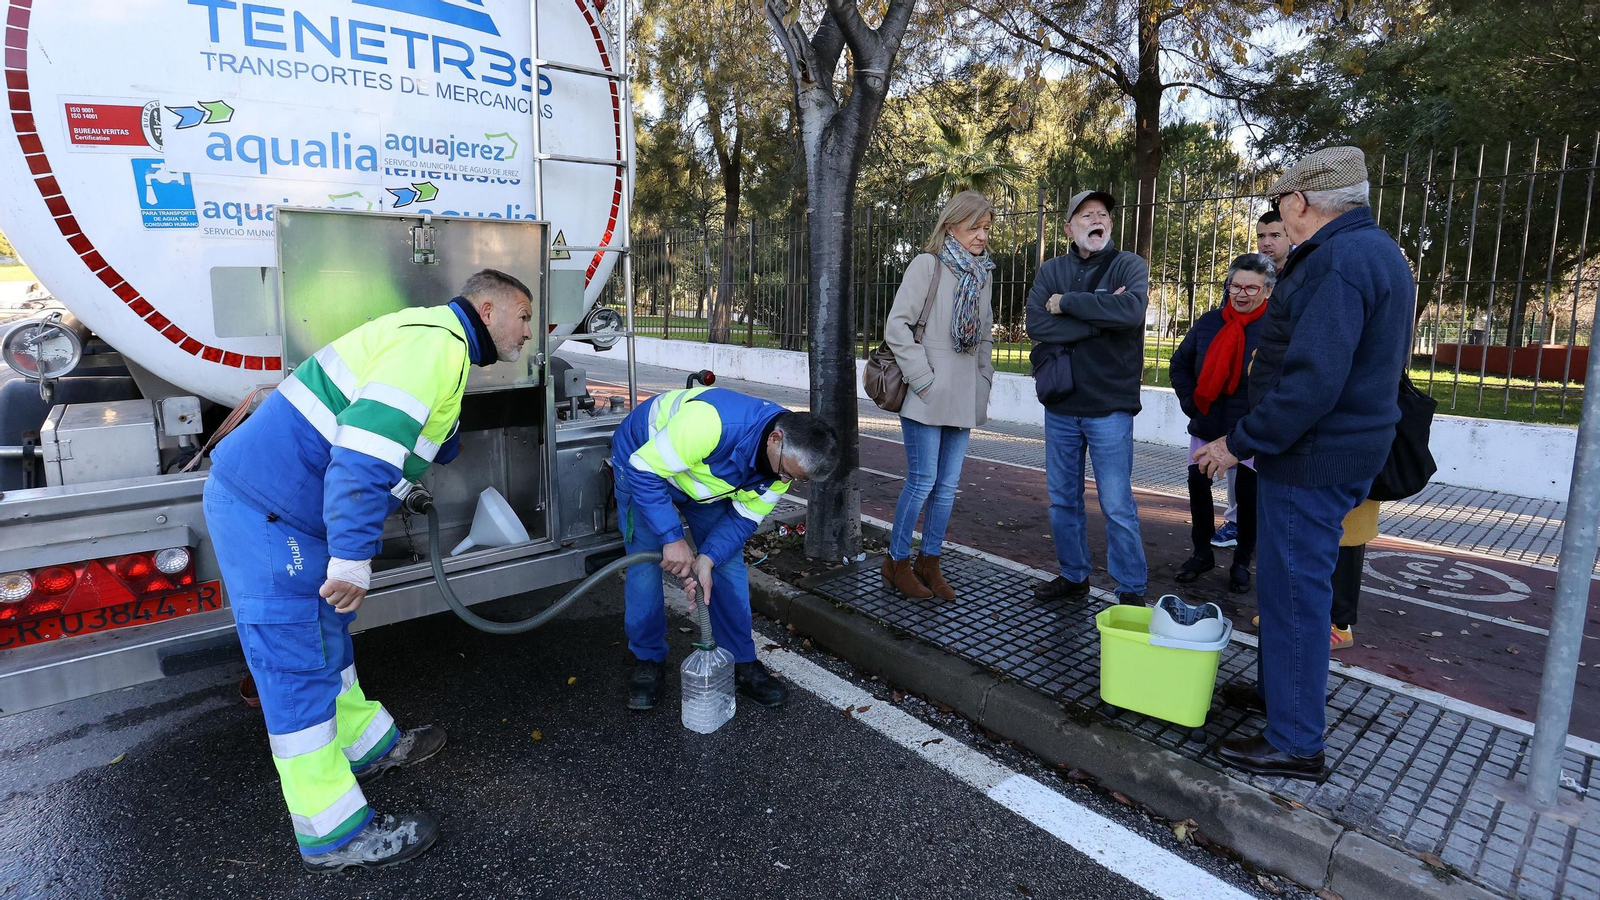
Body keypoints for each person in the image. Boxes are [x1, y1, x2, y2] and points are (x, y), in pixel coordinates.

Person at [204, 269, 537, 871]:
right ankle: (332, 833)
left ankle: (367, 746)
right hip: (268, 511)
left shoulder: (443, 344)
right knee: (297, 662)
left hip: (290, 509)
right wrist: (353, 559)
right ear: (487, 308)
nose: (528, 332)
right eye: (523, 316)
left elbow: (404, 434)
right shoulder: (435, 343)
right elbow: (361, 457)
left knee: (328, 637)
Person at [1194, 147, 1414, 780]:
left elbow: (1312, 382)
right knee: (1287, 586)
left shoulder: (1338, 262)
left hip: (1312, 455)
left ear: (1299, 203)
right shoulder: (1375, 251)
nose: (1281, 220)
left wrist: (1237, 443)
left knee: (1294, 595)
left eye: (1282, 207)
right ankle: (1278, 697)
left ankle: (1296, 742)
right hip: (1337, 448)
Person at [611, 386, 840, 711]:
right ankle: (647, 659)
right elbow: (643, 469)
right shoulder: (712, 423)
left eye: (796, 479)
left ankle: (741, 662)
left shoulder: (784, 467)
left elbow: (743, 519)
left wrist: (707, 558)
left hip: (697, 481)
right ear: (775, 439)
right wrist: (672, 538)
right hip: (644, 465)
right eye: (786, 472)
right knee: (645, 568)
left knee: (727, 565)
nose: (786, 481)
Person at [1025, 190, 1151, 607]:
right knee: (1062, 499)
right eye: (1086, 215)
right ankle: (1073, 575)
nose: (1096, 220)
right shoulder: (1052, 269)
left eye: (1102, 215)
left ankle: (1131, 588)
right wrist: (1100, 319)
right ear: (1069, 228)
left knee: (1117, 504)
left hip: (1110, 406)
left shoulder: (1129, 265)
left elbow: (1131, 313)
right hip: (1061, 404)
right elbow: (1039, 325)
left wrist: (1068, 304)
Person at [881, 190, 996, 601]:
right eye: (974, 227)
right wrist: (924, 380)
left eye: (987, 227)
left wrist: (983, 381)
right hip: (926, 394)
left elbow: (984, 335)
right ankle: (896, 563)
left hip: (964, 394)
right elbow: (897, 327)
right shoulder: (926, 265)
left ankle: (930, 561)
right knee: (922, 481)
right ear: (951, 227)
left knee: (947, 487)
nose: (982, 235)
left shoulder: (983, 273)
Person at [1169, 254, 1273, 593]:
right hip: (1207, 424)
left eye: (1251, 288)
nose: (1241, 294)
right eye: (1235, 286)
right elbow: (1180, 364)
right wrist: (1191, 404)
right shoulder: (1209, 321)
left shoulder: (1277, 330)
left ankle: (1242, 562)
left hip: (1250, 431)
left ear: (1267, 291)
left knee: (1248, 497)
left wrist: (1258, 424)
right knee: (1198, 491)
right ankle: (1201, 554)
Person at [1213, 211, 1294, 551]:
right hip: (1246, 385)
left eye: (1274, 235)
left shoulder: (1300, 273)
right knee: (1239, 458)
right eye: (1261, 235)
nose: (1266, 242)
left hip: (1285, 380)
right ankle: (1235, 520)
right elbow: (1225, 316)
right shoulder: (1246, 272)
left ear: (1290, 234)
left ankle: (1271, 525)